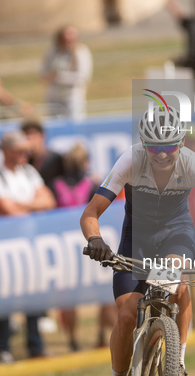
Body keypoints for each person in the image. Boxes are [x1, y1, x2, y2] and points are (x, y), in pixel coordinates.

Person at [80, 106, 195, 376]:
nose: (163, 154)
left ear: (182, 143)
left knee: (177, 287)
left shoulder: (193, 165)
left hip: (175, 235)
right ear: (143, 144)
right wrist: (96, 239)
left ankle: (177, 362)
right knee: (128, 315)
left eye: (170, 147)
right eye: (154, 148)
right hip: (137, 240)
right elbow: (90, 213)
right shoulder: (130, 161)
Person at [0, 131, 56, 362]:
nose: (27, 152)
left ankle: (35, 345)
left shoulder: (29, 171)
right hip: (4, 247)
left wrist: (21, 205)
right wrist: (33, 206)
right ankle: (2, 347)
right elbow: (6, 210)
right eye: (21, 149)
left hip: (30, 245)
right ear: (7, 150)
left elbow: (49, 200)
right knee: (6, 296)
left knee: (34, 294)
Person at [50, 143, 116, 351]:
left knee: (70, 295)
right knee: (104, 290)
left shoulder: (56, 184)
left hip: (65, 246)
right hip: (90, 242)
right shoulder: (93, 185)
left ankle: (72, 338)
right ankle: (101, 332)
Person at [40, 26, 93, 120]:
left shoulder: (81, 51)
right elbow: (43, 72)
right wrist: (48, 76)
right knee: (54, 122)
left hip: (72, 95)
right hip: (54, 95)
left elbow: (83, 77)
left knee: (74, 121)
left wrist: (59, 76)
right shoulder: (53, 51)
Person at [21, 120, 65, 190]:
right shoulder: (23, 162)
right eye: (26, 135)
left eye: (33, 134)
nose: (29, 138)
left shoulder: (56, 159)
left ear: (42, 135)